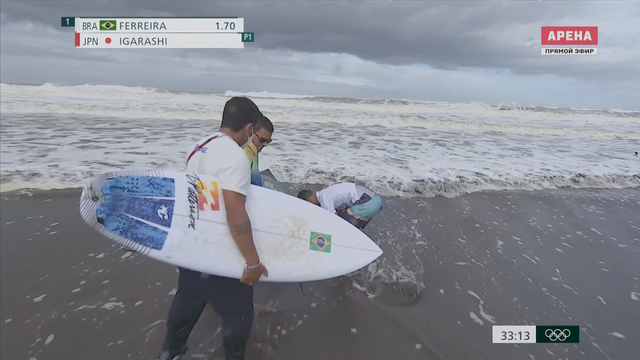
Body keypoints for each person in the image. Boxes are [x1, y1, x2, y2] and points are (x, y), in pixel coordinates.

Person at [156, 97, 268, 360]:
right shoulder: (235, 157)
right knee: (239, 316)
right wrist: (252, 262)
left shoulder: (200, 147)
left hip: (193, 248)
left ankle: (171, 353)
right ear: (250, 128)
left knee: (188, 301)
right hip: (218, 253)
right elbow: (235, 210)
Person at [297, 182, 382, 230]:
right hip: (375, 198)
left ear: (310, 200)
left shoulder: (324, 200)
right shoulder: (325, 192)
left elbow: (335, 220)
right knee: (345, 220)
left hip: (368, 202)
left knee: (341, 226)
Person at [244, 115, 274, 186]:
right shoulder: (246, 152)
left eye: (268, 141)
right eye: (262, 140)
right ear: (251, 131)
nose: (265, 144)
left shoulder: (253, 149)